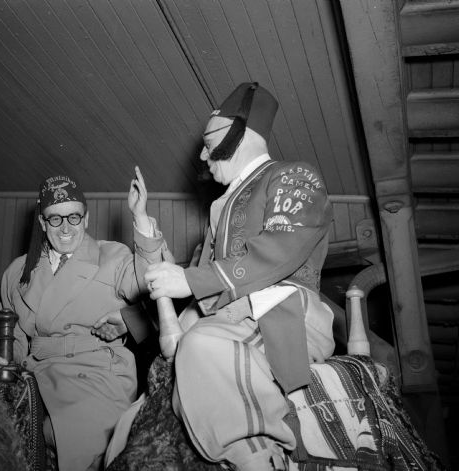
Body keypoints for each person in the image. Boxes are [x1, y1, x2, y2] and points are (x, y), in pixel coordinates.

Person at [144, 82, 336, 471]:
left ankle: (260, 460)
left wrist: (191, 283)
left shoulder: (293, 175)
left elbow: (279, 250)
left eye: (208, 141)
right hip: (231, 321)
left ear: (238, 133)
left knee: (202, 347)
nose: (201, 154)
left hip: (282, 318)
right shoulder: (220, 207)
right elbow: (200, 285)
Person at [0, 166, 165, 471]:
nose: (65, 228)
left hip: (96, 371)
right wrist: (5, 355)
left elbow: (154, 284)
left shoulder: (113, 257)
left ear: (87, 218)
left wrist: (140, 218)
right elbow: (8, 329)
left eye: (74, 217)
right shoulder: (17, 271)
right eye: (55, 218)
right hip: (34, 371)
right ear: (43, 222)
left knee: (75, 440)